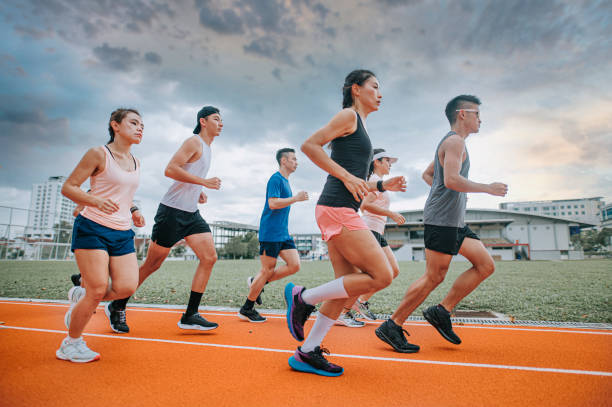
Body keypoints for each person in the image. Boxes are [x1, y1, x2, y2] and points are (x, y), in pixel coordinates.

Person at [284, 69, 407, 377]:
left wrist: (381, 186)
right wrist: (347, 176)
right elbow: (310, 146)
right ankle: (303, 297)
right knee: (383, 274)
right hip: (337, 208)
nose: (380, 93)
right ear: (356, 89)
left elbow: (357, 180)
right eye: (375, 86)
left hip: (338, 207)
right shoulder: (349, 116)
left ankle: (308, 351)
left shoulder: (361, 125)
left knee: (343, 292)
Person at [375, 95, 508, 353]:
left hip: (454, 221)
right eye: (477, 114)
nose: (481, 119)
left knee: (485, 265)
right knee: (434, 276)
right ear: (462, 114)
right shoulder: (454, 141)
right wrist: (487, 189)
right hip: (442, 221)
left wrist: (445, 194)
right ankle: (392, 324)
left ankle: (441, 311)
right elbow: (450, 180)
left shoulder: (455, 143)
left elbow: (430, 175)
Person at [105, 106, 222, 333]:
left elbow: (186, 174)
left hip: (191, 213)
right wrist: (203, 182)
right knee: (152, 265)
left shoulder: (208, 148)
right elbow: (170, 169)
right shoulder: (194, 141)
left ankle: (190, 315)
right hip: (171, 212)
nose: (221, 123)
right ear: (203, 121)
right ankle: (117, 304)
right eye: (216, 119)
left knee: (209, 257)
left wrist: (197, 189)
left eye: (221, 120)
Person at [57, 108, 144, 362]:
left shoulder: (137, 162)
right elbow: (69, 187)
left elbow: (123, 194)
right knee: (97, 288)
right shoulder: (99, 153)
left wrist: (135, 209)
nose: (140, 128)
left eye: (142, 125)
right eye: (134, 123)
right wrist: (94, 201)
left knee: (127, 286)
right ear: (115, 126)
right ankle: (70, 344)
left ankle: (81, 298)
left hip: (122, 230)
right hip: (93, 227)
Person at [238, 148, 309, 323]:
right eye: (293, 159)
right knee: (267, 270)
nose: (296, 162)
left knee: (294, 265)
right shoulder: (275, 179)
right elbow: (273, 203)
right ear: (283, 161)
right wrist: (295, 198)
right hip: (270, 233)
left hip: (283, 234)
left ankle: (257, 282)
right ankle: (247, 308)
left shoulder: (286, 181)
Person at [338, 148, 406, 326]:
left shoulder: (379, 182)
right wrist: (390, 213)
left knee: (393, 271)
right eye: (388, 161)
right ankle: (343, 312)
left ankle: (360, 301)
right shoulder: (374, 181)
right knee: (367, 275)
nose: (390, 164)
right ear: (377, 161)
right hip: (369, 230)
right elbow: (365, 206)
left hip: (377, 232)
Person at [70, 192, 143, 288]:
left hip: (117, 233)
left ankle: (81, 279)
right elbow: (76, 212)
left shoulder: (120, 192)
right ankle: (80, 285)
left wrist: (135, 211)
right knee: (98, 278)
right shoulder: (95, 191)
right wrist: (95, 209)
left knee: (118, 273)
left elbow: (127, 199)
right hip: (95, 232)